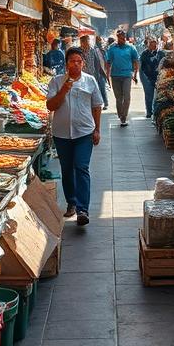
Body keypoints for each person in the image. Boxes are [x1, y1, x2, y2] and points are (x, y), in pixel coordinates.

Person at [46, 46, 102, 226]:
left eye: (79, 61)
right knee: (67, 169)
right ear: (66, 63)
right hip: (61, 134)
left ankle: (83, 209)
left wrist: (97, 129)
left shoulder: (90, 81)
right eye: (72, 61)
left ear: (83, 63)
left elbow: (97, 106)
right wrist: (63, 90)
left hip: (84, 132)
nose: (76, 65)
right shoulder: (56, 81)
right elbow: (51, 106)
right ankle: (71, 202)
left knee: (81, 167)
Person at [105, 29, 139, 127]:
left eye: (123, 37)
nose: (122, 39)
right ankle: (121, 115)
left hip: (127, 75)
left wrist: (135, 74)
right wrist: (107, 75)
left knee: (127, 97)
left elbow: (136, 61)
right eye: (120, 37)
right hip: (115, 76)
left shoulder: (131, 48)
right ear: (117, 37)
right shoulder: (112, 48)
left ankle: (124, 117)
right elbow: (108, 62)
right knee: (119, 98)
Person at [139, 37, 165, 118]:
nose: (152, 45)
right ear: (148, 45)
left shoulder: (160, 53)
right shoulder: (144, 54)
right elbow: (142, 67)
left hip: (159, 77)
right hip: (147, 77)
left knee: (158, 95)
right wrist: (145, 78)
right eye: (150, 44)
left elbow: (164, 64)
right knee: (148, 94)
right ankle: (149, 112)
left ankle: (156, 112)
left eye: (154, 43)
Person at [94, 36, 110, 110]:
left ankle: (105, 103)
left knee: (102, 88)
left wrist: (107, 72)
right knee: (97, 89)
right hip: (95, 72)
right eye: (98, 41)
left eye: (100, 41)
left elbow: (106, 61)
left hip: (102, 72)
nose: (99, 42)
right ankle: (98, 104)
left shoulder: (103, 51)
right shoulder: (93, 50)